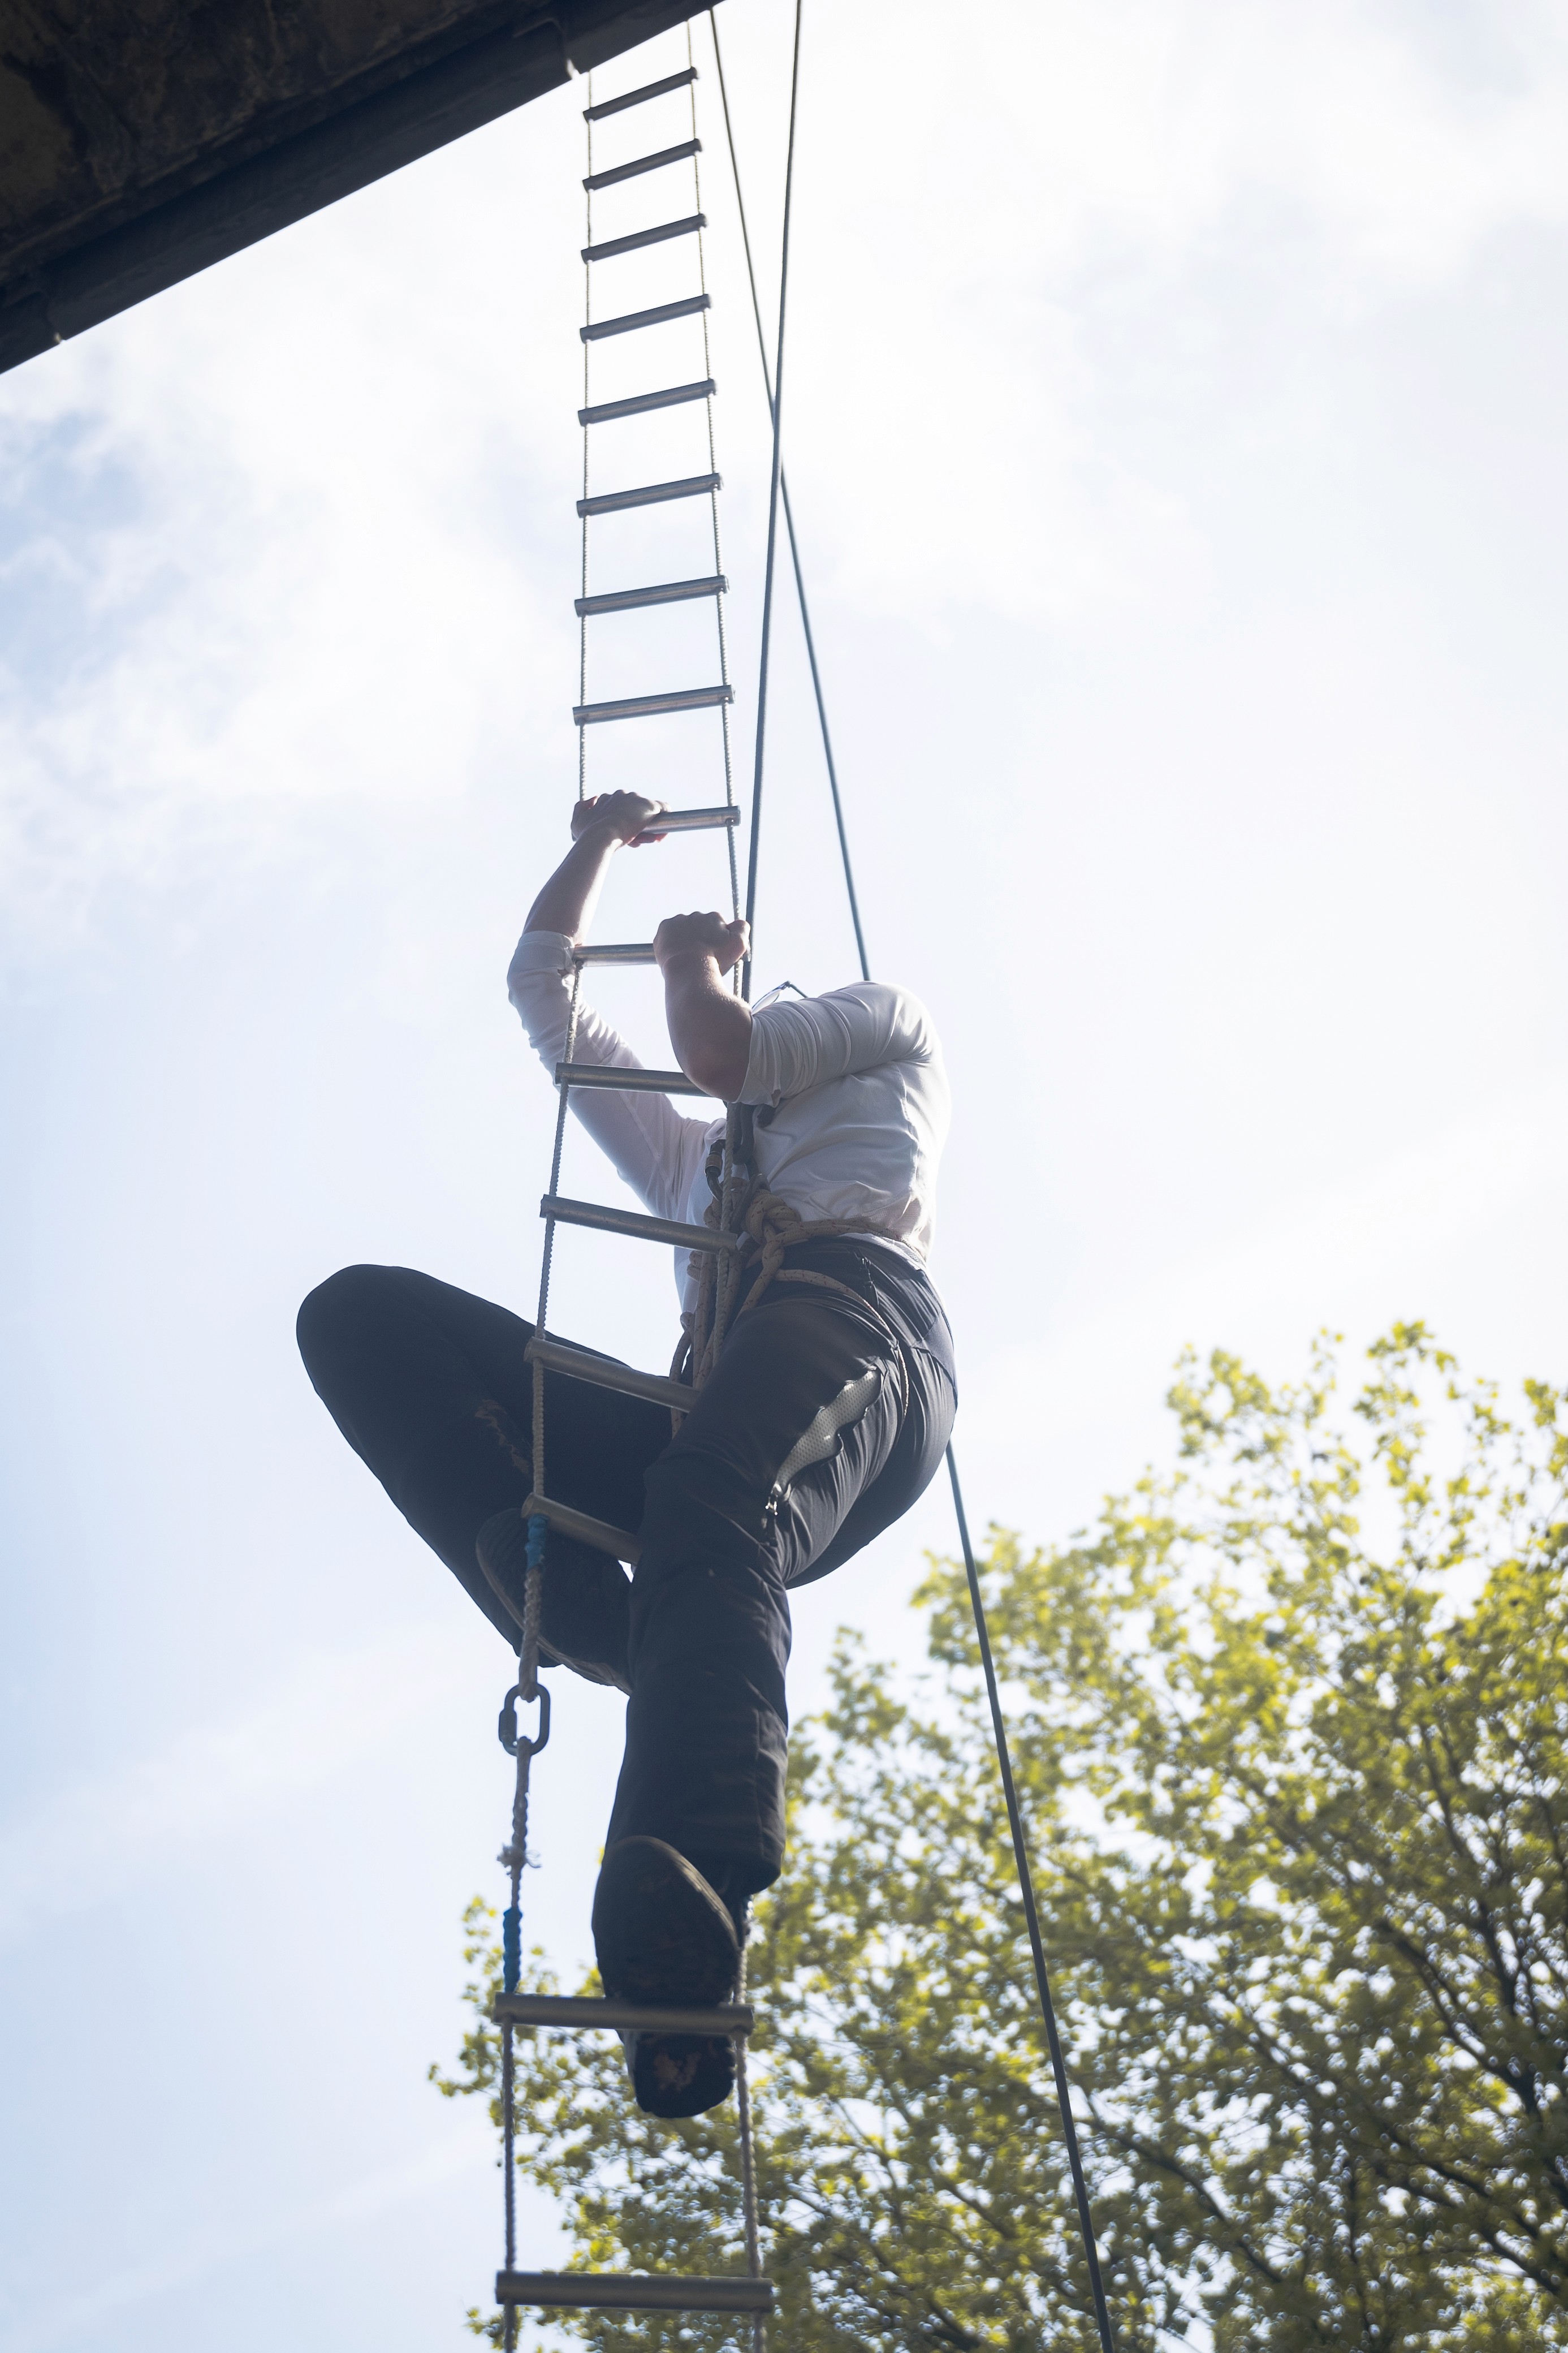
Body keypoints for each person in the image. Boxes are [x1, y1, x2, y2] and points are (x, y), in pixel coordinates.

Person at [296, 790, 956, 2117]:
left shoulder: (884, 1025)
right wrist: (595, 846)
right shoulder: (697, 1173)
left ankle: (697, 1876)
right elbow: (546, 999)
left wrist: (691, 959)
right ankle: (583, 1604)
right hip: (709, 1423)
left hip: (859, 1335)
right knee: (360, 1316)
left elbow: (720, 1047)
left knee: (710, 1495)